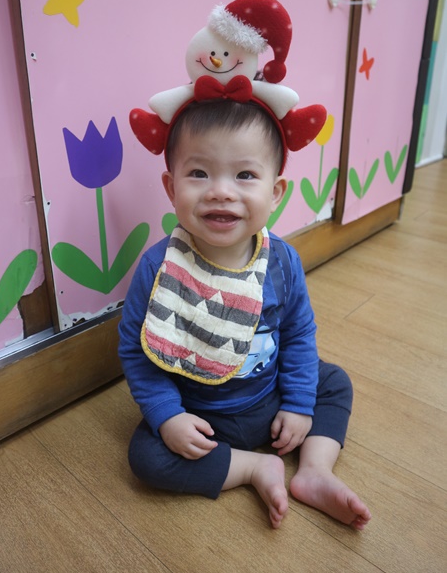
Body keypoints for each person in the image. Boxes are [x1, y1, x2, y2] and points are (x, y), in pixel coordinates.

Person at [119, 98, 372, 530]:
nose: (221, 191)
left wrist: (298, 403)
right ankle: (252, 467)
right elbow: (136, 350)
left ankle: (315, 469)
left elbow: (298, 334)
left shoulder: (282, 262)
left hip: (271, 398)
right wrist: (168, 415)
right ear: (171, 187)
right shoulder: (159, 269)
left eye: (245, 175)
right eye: (199, 173)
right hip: (202, 417)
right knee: (146, 456)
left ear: (275, 192)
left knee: (333, 382)